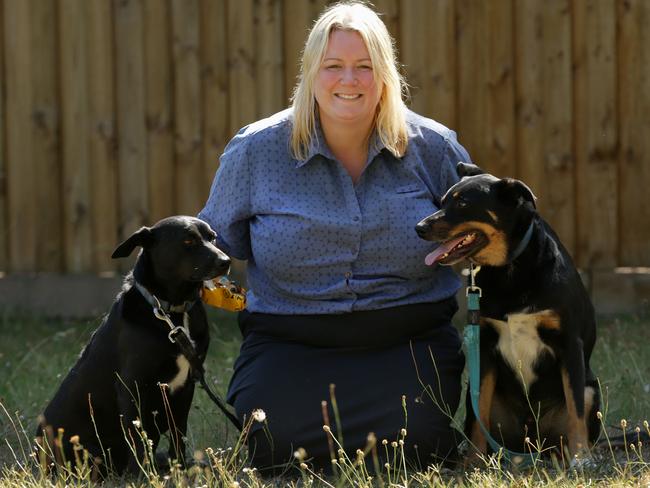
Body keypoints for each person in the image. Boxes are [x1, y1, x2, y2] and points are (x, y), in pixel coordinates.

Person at [199, 1, 472, 473]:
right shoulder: (255, 151)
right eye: (334, 66)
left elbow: (485, 235)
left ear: (385, 74)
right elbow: (211, 247)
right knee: (274, 447)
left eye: (364, 67)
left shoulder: (435, 149)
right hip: (289, 344)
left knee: (422, 443)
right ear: (310, 73)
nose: (349, 80)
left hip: (407, 341)